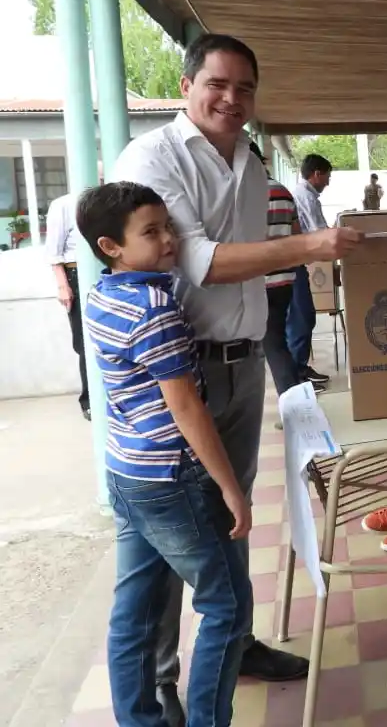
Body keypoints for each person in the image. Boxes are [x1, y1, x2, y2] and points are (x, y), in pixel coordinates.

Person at [113, 33, 362, 725]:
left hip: (241, 365)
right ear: (187, 84)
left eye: (244, 88)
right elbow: (199, 260)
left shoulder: (249, 162)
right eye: (217, 84)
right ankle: (159, 686)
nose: (230, 98)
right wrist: (315, 245)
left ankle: (235, 644)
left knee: (232, 518)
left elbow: (248, 268)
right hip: (177, 375)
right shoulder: (152, 158)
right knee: (163, 545)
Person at [77, 182, 253, 727]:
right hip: (173, 480)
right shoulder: (153, 306)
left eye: (167, 226)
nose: (169, 240)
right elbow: (187, 409)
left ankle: (139, 720)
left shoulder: (103, 293)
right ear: (112, 246)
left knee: (133, 611)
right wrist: (228, 486)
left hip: (128, 472)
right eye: (150, 232)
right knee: (225, 606)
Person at [257, 144, 305, 400]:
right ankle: (296, 397)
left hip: (260, 281)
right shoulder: (282, 191)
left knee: (273, 345)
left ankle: (295, 406)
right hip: (285, 280)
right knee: (278, 340)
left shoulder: (245, 195)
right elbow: (296, 236)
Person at [288, 154, 333, 387]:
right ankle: (296, 375)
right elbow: (319, 231)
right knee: (301, 319)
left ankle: (300, 368)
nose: (327, 182)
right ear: (317, 173)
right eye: (327, 176)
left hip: (297, 262)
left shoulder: (304, 194)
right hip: (292, 263)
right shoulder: (306, 196)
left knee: (303, 317)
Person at [44, 191, 90, 420]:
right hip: (76, 273)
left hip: (108, 271)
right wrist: (63, 285)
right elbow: (54, 252)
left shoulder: (112, 200)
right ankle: (89, 401)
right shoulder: (63, 204)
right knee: (84, 342)